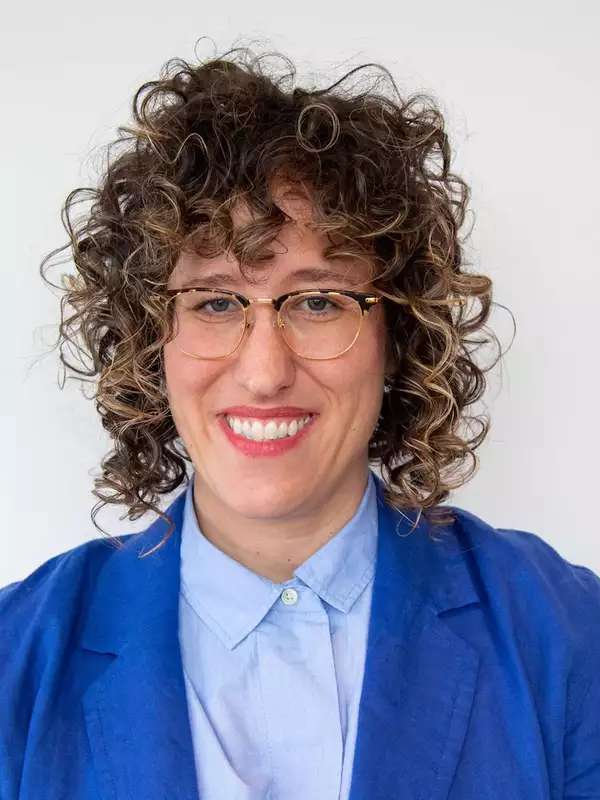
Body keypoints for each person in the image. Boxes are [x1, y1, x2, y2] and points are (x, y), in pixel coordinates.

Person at [1, 44, 599, 800]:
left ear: (400, 338)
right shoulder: (15, 660)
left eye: (318, 301)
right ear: (149, 340)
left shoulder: (568, 640)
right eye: (215, 302)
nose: (263, 371)